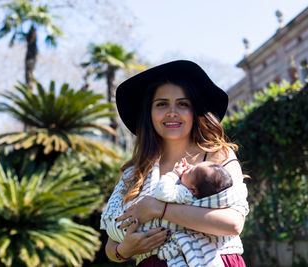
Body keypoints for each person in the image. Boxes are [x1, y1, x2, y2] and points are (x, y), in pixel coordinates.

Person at [100, 60, 248, 267]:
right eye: (161, 104)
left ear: (194, 111)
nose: (172, 112)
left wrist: (157, 208)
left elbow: (233, 223)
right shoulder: (135, 173)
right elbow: (111, 246)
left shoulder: (218, 157)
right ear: (148, 113)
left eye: (183, 104)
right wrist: (125, 250)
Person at [151, 159, 243, 266]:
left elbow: (161, 191)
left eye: (190, 171)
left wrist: (174, 174)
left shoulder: (185, 194)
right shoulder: (209, 201)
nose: (188, 168)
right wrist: (191, 172)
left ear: (193, 191)